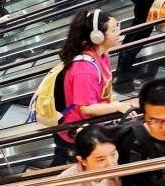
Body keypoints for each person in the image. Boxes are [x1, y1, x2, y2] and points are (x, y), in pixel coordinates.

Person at [51, 9, 134, 164]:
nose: (119, 32)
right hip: (74, 131)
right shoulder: (84, 69)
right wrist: (117, 107)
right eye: (114, 29)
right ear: (98, 36)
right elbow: (86, 108)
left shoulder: (101, 55)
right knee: (65, 167)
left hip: (90, 126)